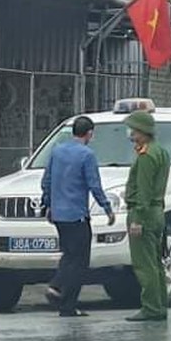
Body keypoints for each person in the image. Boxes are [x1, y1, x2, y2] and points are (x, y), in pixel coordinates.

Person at [40, 116, 114, 318]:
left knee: (69, 254)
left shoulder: (56, 151)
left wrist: (47, 204)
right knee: (79, 260)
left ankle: (66, 303)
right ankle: (59, 291)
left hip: (58, 215)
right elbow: (94, 185)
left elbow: (46, 181)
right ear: (89, 133)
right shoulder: (87, 155)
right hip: (77, 215)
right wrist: (107, 208)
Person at [124, 110, 170, 322]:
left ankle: (150, 307)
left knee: (144, 264)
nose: (131, 134)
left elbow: (143, 189)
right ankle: (160, 305)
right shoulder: (160, 151)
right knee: (156, 263)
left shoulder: (146, 156)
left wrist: (136, 219)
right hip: (157, 211)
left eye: (134, 130)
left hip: (143, 211)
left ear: (143, 131)